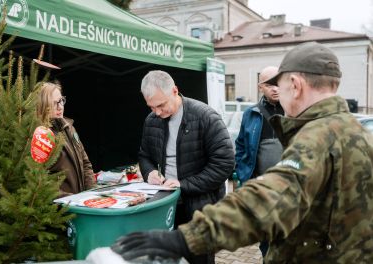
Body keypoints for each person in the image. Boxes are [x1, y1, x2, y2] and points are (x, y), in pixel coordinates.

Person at [112, 42, 373, 263]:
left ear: (295, 85)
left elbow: (266, 201)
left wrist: (185, 239)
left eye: (279, 87)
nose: (277, 96)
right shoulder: (360, 134)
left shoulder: (318, 138)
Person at [137, 70, 235, 264]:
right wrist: (150, 173)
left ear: (174, 91)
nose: (157, 112)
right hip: (167, 205)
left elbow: (224, 164)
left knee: (199, 258)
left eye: (161, 105)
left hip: (201, 207)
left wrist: (183, 184)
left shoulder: (206, 116)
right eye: (151, 107)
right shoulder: (151, 121)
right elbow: (144, 155)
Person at [235, 66, 284, 258]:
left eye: (279, 82)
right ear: (260, 87)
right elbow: (240, 145)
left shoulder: (295, 111)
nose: (275, 88)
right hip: (261, 190)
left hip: (289, 188)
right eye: (270, 84)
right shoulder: (251, 113)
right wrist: (243, 174)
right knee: (265, 240)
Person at [36, 82, 95, 196]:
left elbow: (86, 163)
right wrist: (68, 200)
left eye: (61, 100)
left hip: (79, 203)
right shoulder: (40, 136)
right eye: (54, 103)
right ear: (43, 105)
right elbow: (40, 180)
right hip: (61, 208)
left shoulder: (69, 128)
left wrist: (91, 193)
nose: (60, 106)